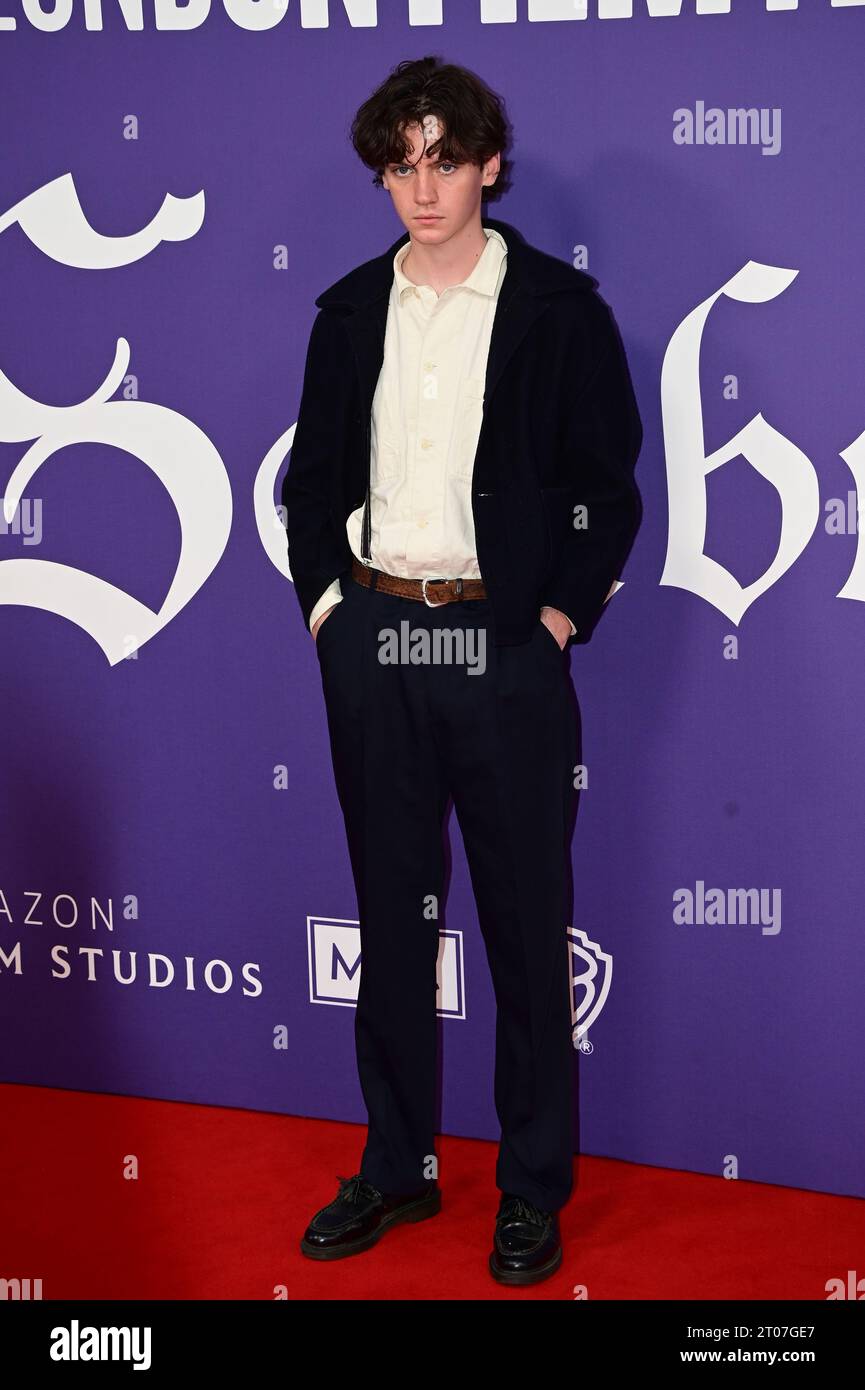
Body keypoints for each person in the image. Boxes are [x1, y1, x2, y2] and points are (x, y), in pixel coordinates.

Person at [281, 55, 643, 1286]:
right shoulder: (344, 312)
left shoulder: (556, 309)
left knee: (523, 925)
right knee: (393, 920)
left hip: (501, 646)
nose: (421, 187)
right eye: (399, 162)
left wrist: (550, 621)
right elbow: (311, 487)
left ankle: (531, 1188)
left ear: (490, 163)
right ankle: (397, 1167)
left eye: (443, 158)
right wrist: (333, 614)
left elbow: (608, 487)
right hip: (377, 642)